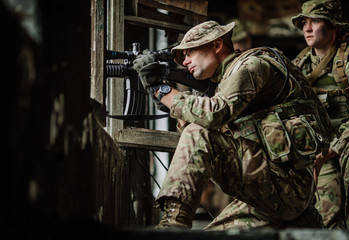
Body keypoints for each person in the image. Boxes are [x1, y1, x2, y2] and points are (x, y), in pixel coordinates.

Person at [133, 20, 331, 229]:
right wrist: (167, 101)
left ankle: (172, 225)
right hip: (276, 193)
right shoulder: (224, 84)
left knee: (197, 132)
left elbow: (213, 115)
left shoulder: (252, 66)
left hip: (288, 186)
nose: (185, 62)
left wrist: (162, 90)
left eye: (189, 53)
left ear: (217, 45)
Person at [291, 0, 349, 230]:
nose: (307, 28)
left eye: (315, 21)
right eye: (304, 22)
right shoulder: (299, 65)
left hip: (348, 143)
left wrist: (332, 150)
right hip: (320, 148)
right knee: (326, 218)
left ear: (333, 27)